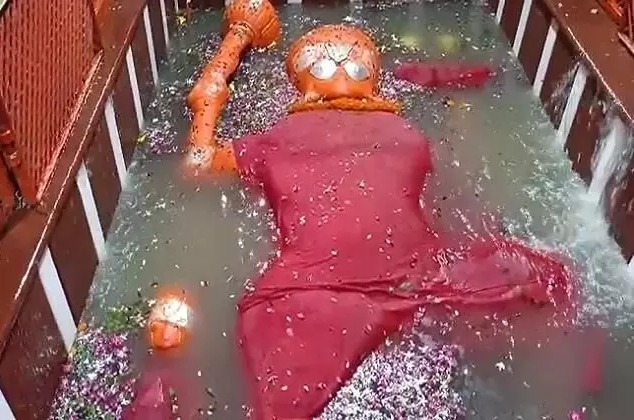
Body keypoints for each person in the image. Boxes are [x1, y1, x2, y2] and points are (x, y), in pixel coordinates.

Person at [177, 1, 602, 419]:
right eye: (321, 61)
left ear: (375, 83)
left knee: (549, 278)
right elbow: (198, 164)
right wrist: (225, 61)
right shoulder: (277, 138)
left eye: (355, 62)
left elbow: (200, 162)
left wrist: (228, 60)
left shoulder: (401, 129)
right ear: (300, 83)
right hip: (315, 286)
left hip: (412, 273)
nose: (339, 65)